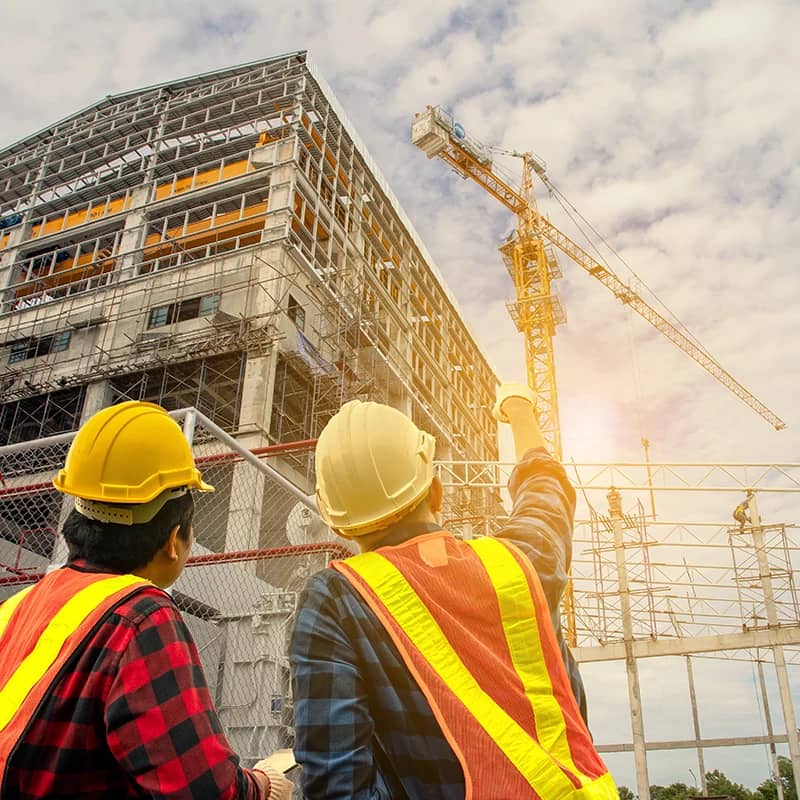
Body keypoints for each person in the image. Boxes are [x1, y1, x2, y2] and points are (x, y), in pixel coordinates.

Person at [289, 383, 617, 799]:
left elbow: (339, 787)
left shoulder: (336, 599)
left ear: (337, 525)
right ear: (437, 491)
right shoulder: (518, 563)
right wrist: (518, 409)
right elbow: (544, 489)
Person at [0, 401, 293, 800]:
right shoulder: (140, 618)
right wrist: (263, 785)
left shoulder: (17, 609)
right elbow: (205, 791)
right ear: (173, 541)